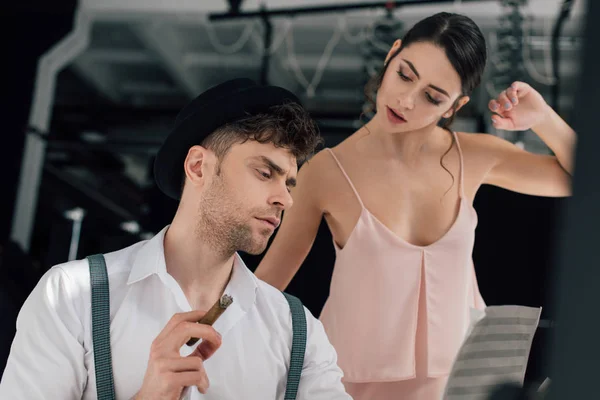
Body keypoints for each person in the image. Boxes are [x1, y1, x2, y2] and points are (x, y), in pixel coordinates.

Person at [255, 12, 576, 400]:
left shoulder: (471, 157)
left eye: (432, 96)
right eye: (405, 74)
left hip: (461, 385)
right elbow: (264, 289)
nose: (406, 100)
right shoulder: (325, 171)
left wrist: (542, 118)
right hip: (348, 387)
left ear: (454, 105)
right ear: (392, 55)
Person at [0, 78, 353, 400]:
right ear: (198, 166)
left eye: (289, 184)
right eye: (265, 173)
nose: (286, 199)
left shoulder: (298, 331)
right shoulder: (71, 296)